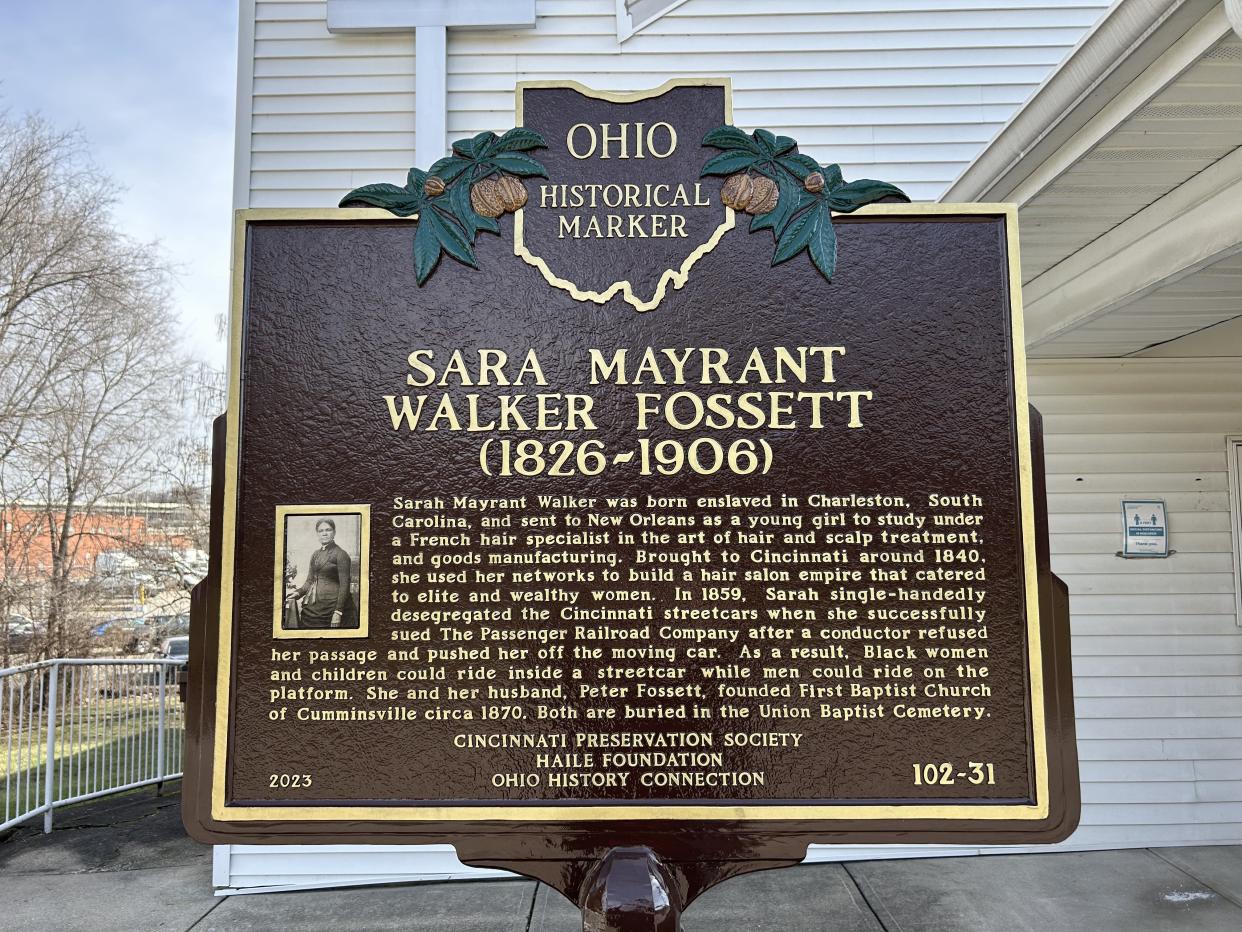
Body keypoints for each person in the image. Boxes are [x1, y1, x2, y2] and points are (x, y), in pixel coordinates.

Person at [285, 518, 356, 629]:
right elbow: (310, 580)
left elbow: (344, 585)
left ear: (334, 532)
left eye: (328, 530)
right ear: (317, 534)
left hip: (332, 606)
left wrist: (338, 612)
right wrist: (298, 593)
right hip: (313, 606)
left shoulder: (341, 554)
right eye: (321, 531)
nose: (324, 533)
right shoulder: (315, 554)